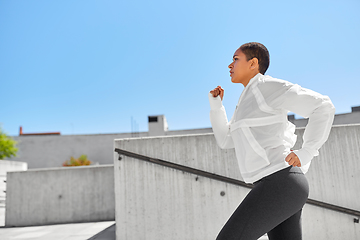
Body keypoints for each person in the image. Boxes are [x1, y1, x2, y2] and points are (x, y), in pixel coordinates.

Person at [208, 42, 335, 240]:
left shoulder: (266, 87)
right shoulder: (245, 100)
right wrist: (216, 107)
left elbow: (323, 106)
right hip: (275, 185)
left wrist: (308, 151)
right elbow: (226, 140)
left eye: (235, 59)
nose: (229, 65)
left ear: (253, 63)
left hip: (280, 180)